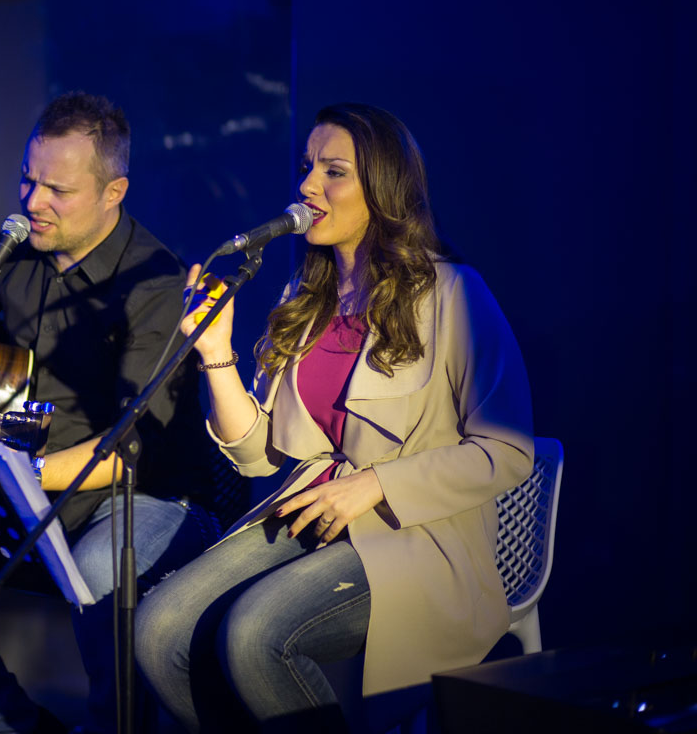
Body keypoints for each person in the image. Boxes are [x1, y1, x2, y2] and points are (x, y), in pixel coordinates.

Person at [135, 102, 534, 731]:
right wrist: (215, 355)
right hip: (311, 518)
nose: (307, 186)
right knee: (158, 630)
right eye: (307, 168)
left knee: (253, 634)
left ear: (383, 189)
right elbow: (258, 455)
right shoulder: (305, 299)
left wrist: (374, 484)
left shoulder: (454, 293)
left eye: (333, 172)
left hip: (416, 538)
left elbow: (507, 451)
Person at [0, 92, 219, 734]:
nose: (33, 202)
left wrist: (16, 473)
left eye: (58, 189)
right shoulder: (20, 247)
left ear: (113, 193)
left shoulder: (156, 285)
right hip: (30, 479)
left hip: (142, 496)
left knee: (99, 568)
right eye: (28, 180)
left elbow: (129, 452)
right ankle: (8, 726)